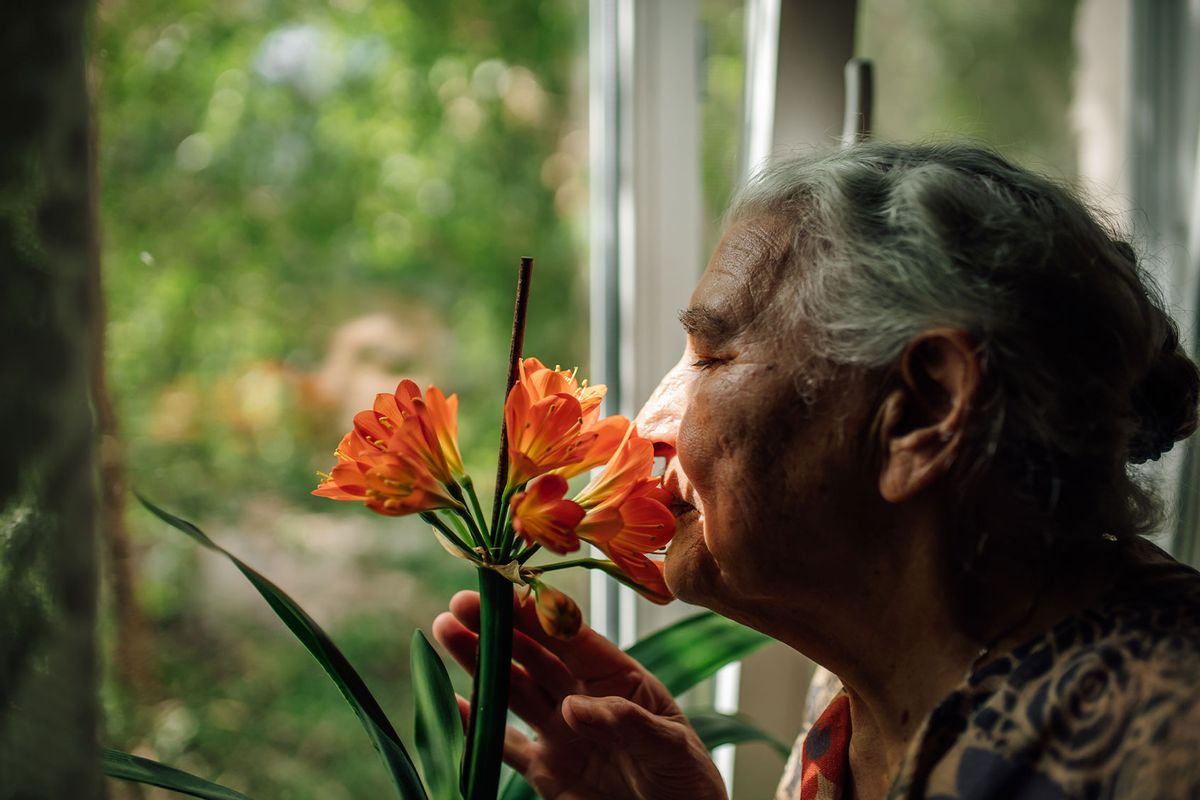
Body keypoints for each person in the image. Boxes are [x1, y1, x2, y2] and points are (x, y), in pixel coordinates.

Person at [433, 142, 1200, 799]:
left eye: (711, 356)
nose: (642, 432)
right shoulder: (850, 706)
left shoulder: (1172, 736)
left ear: (925, 409)